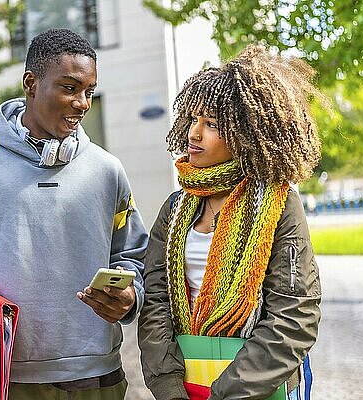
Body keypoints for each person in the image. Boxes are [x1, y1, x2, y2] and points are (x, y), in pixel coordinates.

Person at [0, 28, 148, 400]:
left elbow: (133, 257)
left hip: (99, 378)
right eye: (69, 88)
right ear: (31, 83)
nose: (83, 103)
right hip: (10, 380)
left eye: (89, 91)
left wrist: (130, 298)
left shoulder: (108, 171)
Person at [137, 45, 324, 400]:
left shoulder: (280, 205)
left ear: (248, 134)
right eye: (192, 120)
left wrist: (224, 393)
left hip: (256, 388)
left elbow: (294, 315)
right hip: (184, 385)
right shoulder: (176, 206)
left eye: (211, 124)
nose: (194, 133)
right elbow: (156, 304)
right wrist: (168, 386)